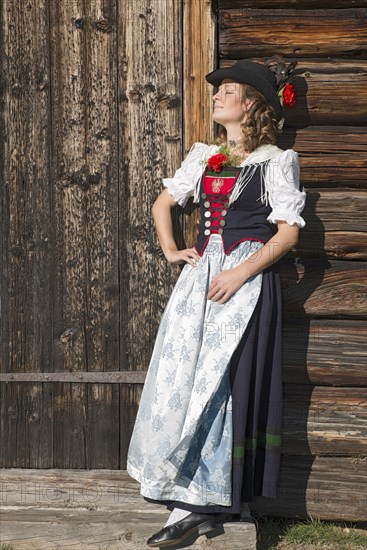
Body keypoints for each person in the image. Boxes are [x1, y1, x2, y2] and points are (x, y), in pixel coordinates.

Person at [126, 57, 307, 548]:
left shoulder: (276, 161)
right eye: (218, 90)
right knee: (188, 379)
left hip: (245, 282)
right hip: (202, 280)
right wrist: (171, 249)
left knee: (228, 383)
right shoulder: (206, 156)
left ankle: (203, 502)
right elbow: (163, 204)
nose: (217, 96)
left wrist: (243, 271)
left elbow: (287, 233)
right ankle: (194, 493)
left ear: (252, 105)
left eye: (228, 90)